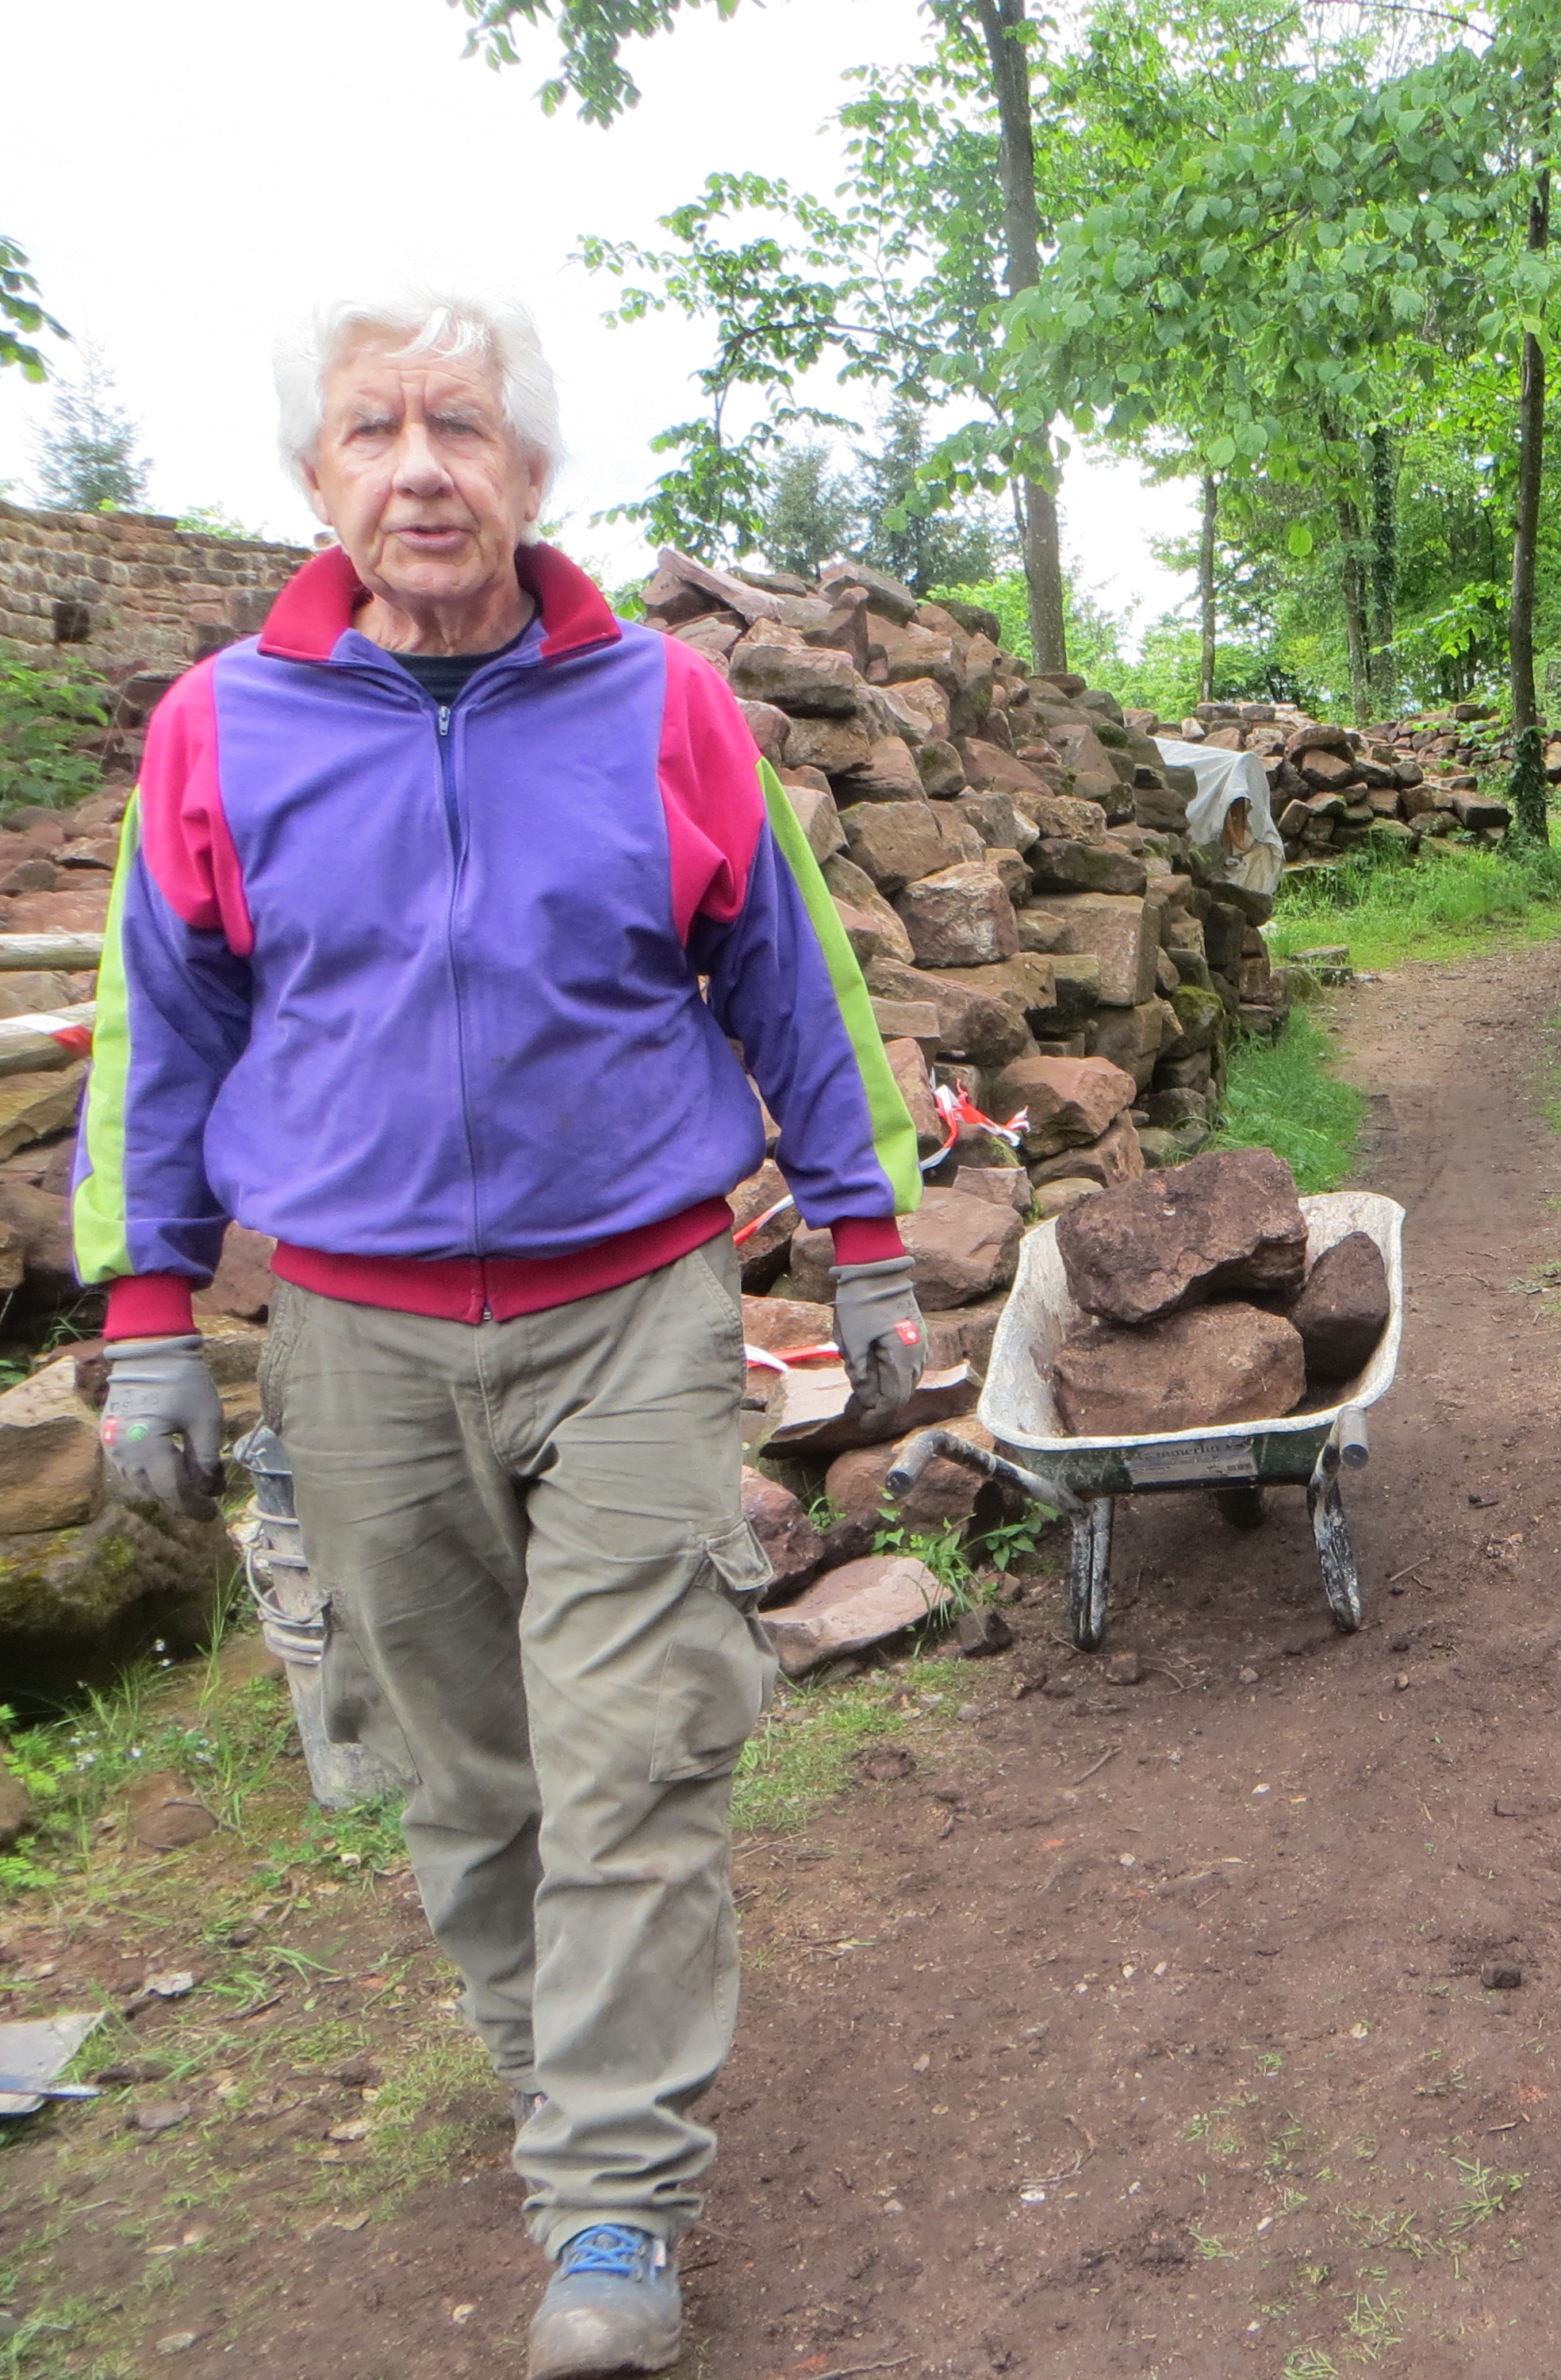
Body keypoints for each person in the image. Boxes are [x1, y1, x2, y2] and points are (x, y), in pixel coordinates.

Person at [75, 290, 924, 2380]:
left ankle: (613, 2201)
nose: (421, 468)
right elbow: (158, 1025)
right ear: (315, 480)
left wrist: (869, 1234)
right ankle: (561, 2077)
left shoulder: (665, 706)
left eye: (462, 426)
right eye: (373, 430)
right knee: (466, 1778)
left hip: (631, 1308)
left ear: (534, 471)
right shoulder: (220, 729)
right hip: (355, 1336)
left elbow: (793, 977)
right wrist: (149, 1309)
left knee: (635, 1756)